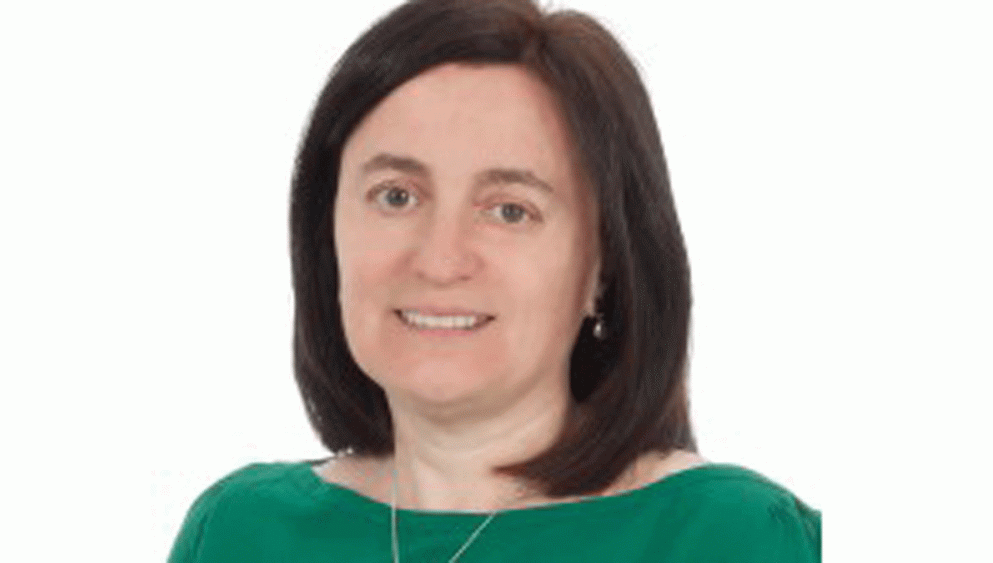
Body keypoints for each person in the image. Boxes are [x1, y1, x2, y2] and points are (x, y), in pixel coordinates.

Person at [167, 0, 821, 561]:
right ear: (325, 232)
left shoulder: (736, 537)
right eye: (396, 196)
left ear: (605, 265)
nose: (439, 259)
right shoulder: (240, 533)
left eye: (509, 210)